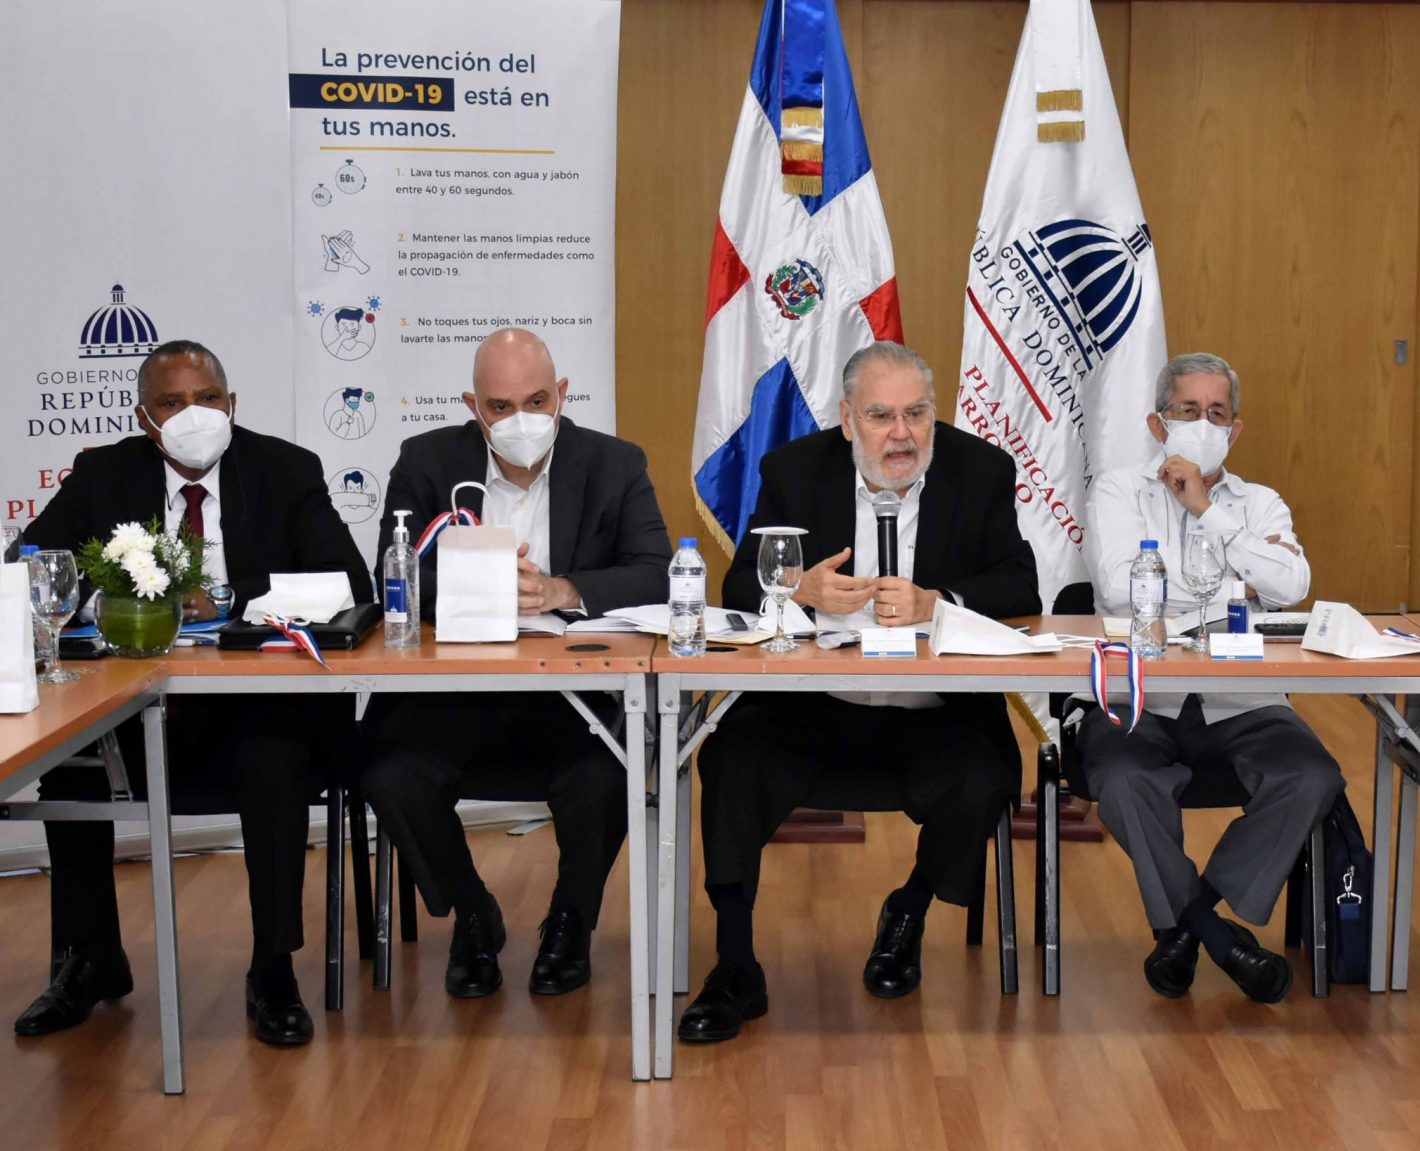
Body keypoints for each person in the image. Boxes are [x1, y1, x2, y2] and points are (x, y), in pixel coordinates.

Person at [678, 341, 1039, 1043]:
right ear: (847, 420)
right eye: (881, 415)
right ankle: (735, 962)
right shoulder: (795, 471)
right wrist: (798, 587)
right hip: (815, 711)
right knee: (729, 760)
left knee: (991, 773)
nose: (901, 433)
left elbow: (1020, 586)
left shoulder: (980, 471)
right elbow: (737, 586)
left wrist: (940, 601)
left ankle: (909, 909)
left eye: (916, 414)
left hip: (936, 716)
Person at [18, 339, 373, 1047]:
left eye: (208, 400)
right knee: (69, 754)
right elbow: (33, 570)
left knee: (272, 758)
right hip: (134, 704)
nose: (193, 416)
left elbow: (347, 582)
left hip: (251, 709)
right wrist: (115, 596)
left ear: (232, 404)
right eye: (172, 404)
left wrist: (232, 597)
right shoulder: (102, 475)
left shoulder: (284, 469)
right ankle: (90, 959)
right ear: (145, 419)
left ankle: (273, 968)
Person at [360, 328, 671, 1000]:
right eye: (502, 407)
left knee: (610, 771)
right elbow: (392, 581)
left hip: (573, 699)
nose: (523, 420)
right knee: (387, 769)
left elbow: (656, 574)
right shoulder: (427, 461)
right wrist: (479, 583)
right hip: (457, 697)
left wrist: (563, 590)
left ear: (562, 394)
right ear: (474, 406)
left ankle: (570, 920)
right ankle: (473, 911)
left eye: (537, 400)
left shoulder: (614, 463)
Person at [1079, 352, 1342, 1004]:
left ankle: (1189, 926)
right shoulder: (1118, 490)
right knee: (1122, 779)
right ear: (1157, 422)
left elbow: (1290, 587)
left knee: (1313, 775)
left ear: (1236, 428)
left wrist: (1206, 510)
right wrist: (1233, 588)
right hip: (1139, 695)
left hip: (1241, 695)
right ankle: (1218, 937)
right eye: (1187, 411)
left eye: (1216, 413)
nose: (1202, 424)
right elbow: (1118, 589)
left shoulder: (1258, 502)